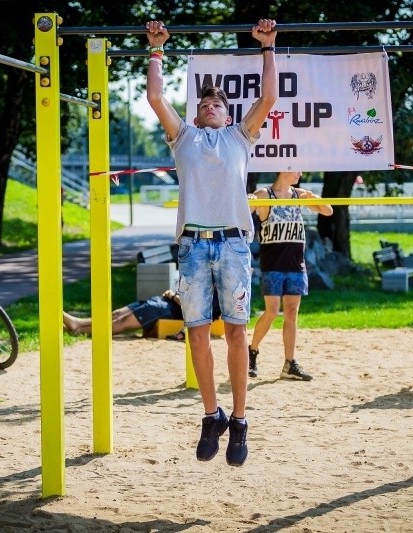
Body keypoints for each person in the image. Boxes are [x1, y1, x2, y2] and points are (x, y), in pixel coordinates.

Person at [145, 18, 278, 466]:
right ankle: (211, 414)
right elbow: (155, 97)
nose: (209, 107)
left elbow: (269, 97)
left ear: (228, 114)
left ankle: (239, 420)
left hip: (234, 244)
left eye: (217, 104)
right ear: (197, 113)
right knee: (197, 335)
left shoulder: (240, 137)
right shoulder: (183, 137)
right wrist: (157, 49)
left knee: (236, 333)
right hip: (193, 247)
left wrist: (267, 47)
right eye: (203, 104)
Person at [247, 171, 333, 381]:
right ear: (284, 169)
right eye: (296, 169)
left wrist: (314, 197)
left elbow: (328, 211)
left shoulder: (299, 194)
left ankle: (289, 363)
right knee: (271, 311)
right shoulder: (264, 195)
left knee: (292, 313)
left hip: (295, 264)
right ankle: (252, 350)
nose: (300, 174)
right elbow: (243, 213)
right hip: (273, 264)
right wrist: (249, 201)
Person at [62, 289, 220, 337]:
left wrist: (173, 296)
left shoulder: (217, 298)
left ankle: (78, 330)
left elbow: (194, 309)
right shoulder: (205, 280)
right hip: (161, 301)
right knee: (117, 314)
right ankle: (78, 323)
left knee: (122, 322)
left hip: (167, 310)